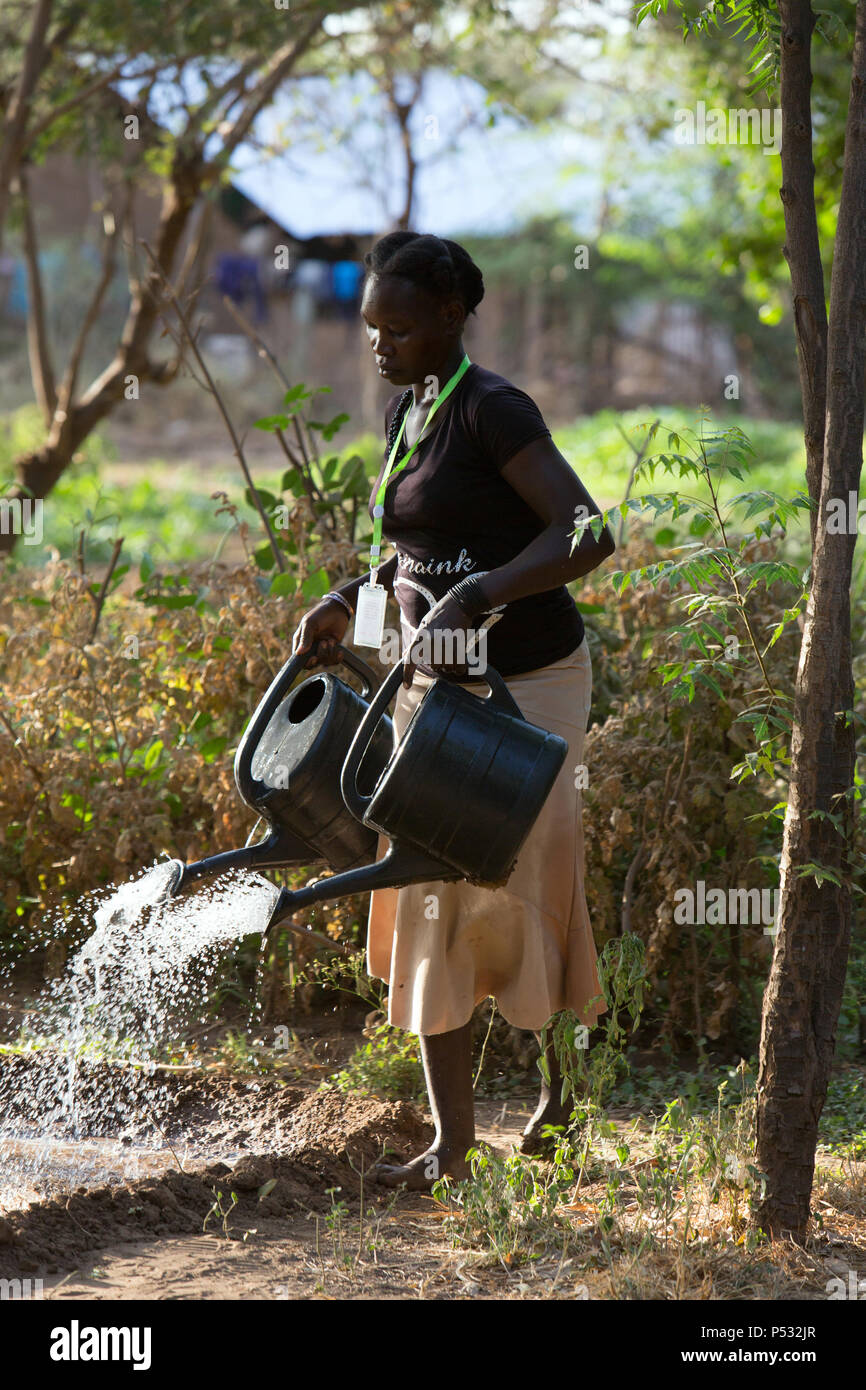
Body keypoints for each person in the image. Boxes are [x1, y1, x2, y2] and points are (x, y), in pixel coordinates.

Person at [291, 231, 615, 1189]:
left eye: (397, 326)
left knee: (528, 877)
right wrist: (349, 595)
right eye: (370, 329)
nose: (380, 344)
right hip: (432, 684)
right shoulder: (411, 407)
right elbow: (416, 546)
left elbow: (588, 530)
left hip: (531, 685)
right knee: (429, 879)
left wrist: (482, 594)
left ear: (447, 318)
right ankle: (454, 1148)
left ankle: (558, 1104)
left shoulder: (491, 409)